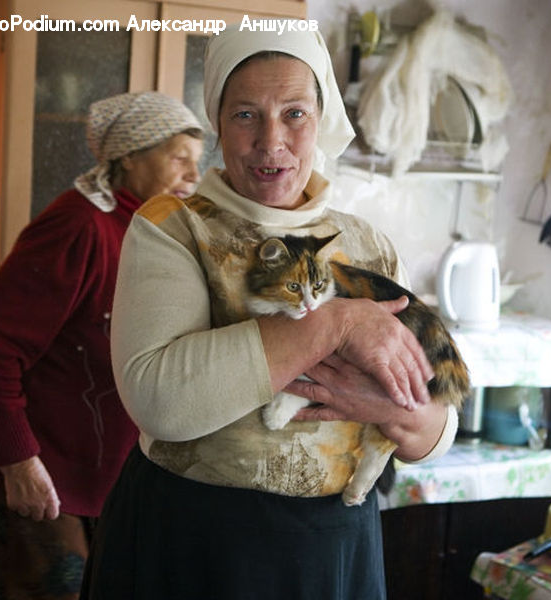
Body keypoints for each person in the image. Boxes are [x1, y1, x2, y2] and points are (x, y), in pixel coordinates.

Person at [80, 25, 459, 600]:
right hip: (190, 542)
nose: (270, 141)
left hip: (330, 548)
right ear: (218, 121)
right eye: (245, 115)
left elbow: (436, 427)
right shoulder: (176, 228)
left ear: (321, 120)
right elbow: (160, 400)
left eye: (294, 114)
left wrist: (396, 409)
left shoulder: (368, 245)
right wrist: (336, 323)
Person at [0, 92, 203, 599]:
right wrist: (17, 460)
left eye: (198, 161)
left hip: (100, 483)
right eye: (178, 157)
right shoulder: (79, 227)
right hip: (39, 480)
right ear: (130, 156)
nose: (194, 175)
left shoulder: (147, 230)